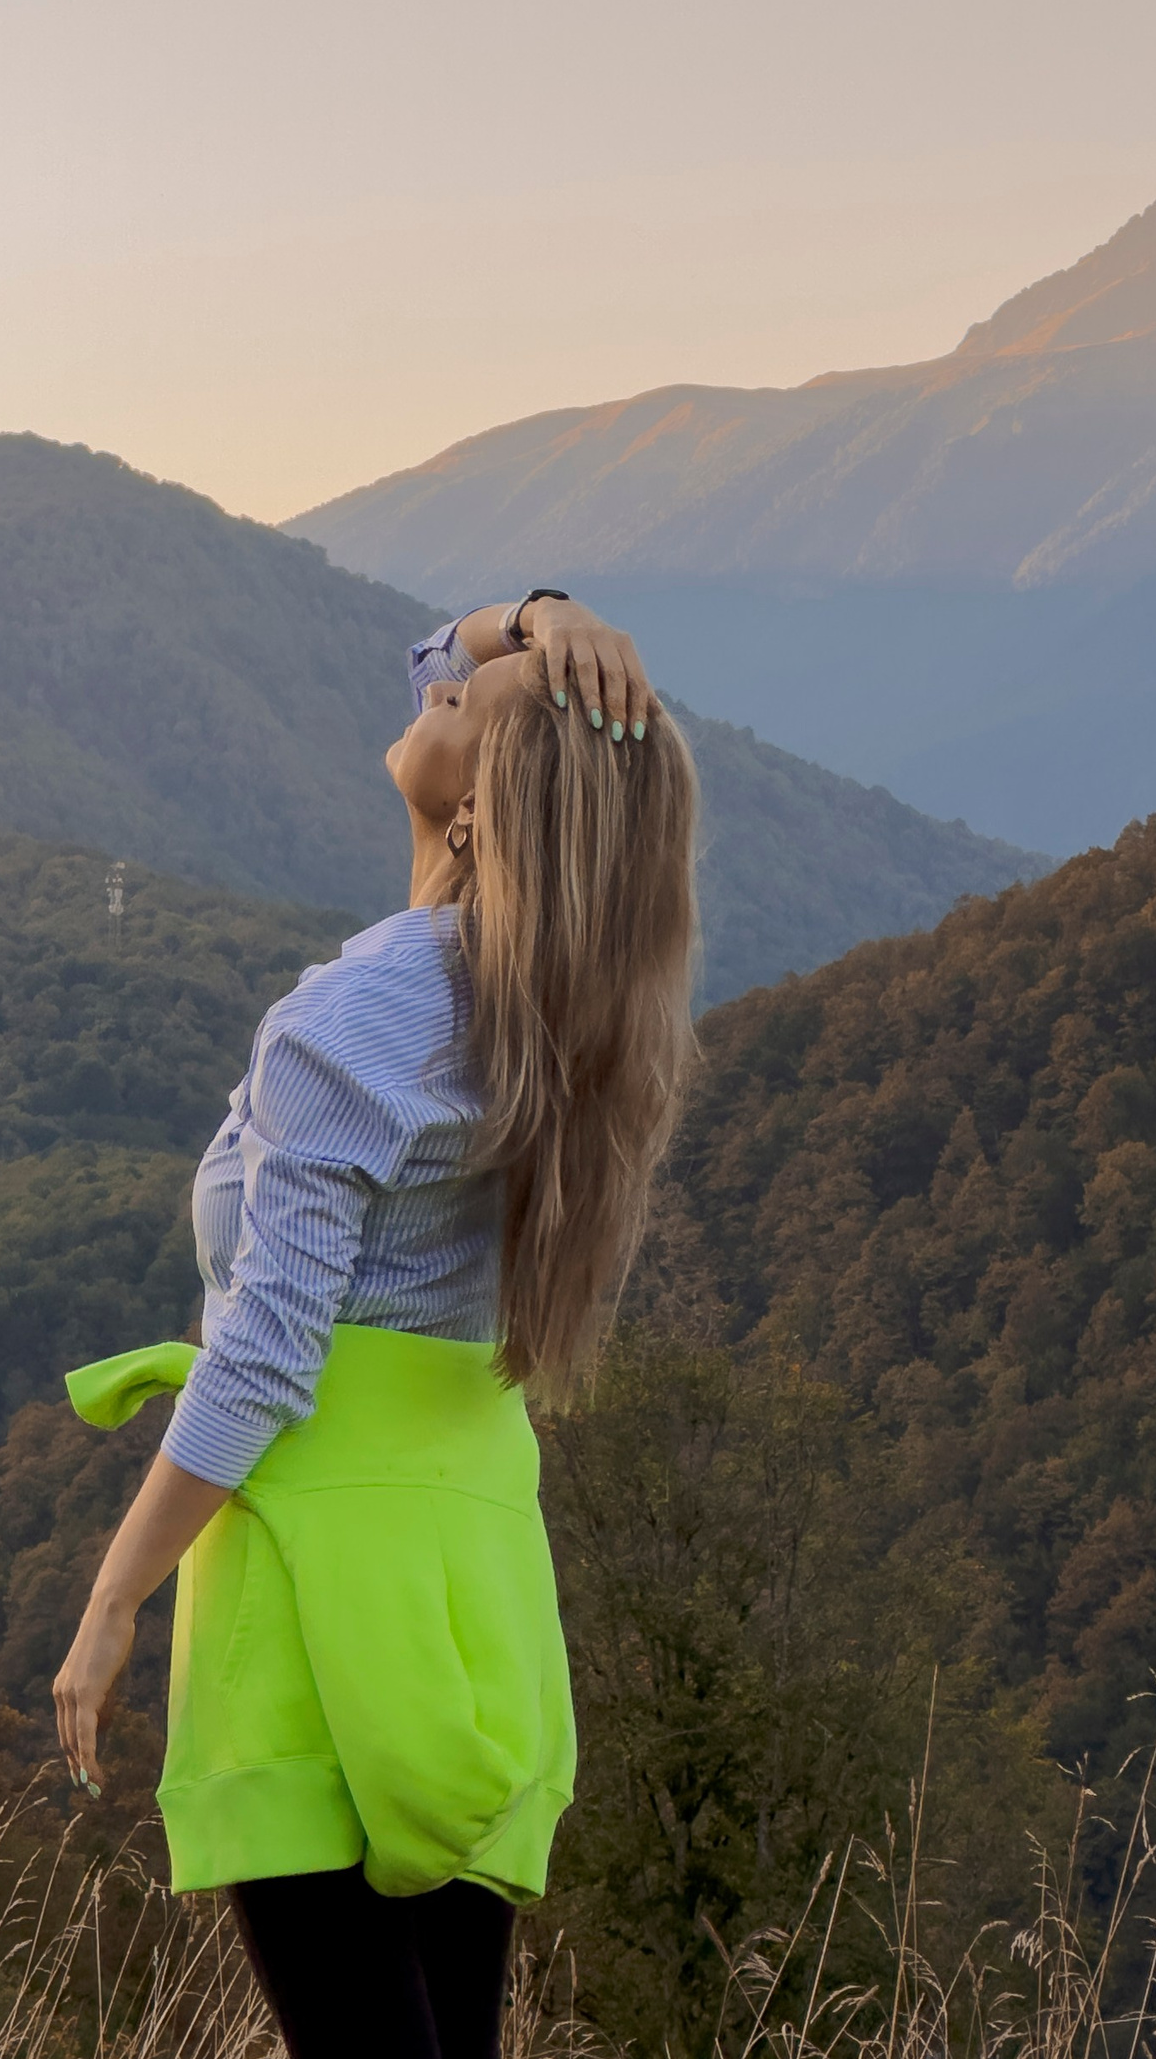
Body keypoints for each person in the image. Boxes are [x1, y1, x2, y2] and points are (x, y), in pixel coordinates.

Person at [53, 592, 702, 2059]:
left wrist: (111, 1603)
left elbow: (265, 1362)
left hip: (314, 1595)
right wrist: (536, 620)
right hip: (469, 1591)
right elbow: (440, 669)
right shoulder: (567, 1014)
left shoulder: (358, 1026)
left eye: (463, 708)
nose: (435, 692)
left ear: (480, 808)